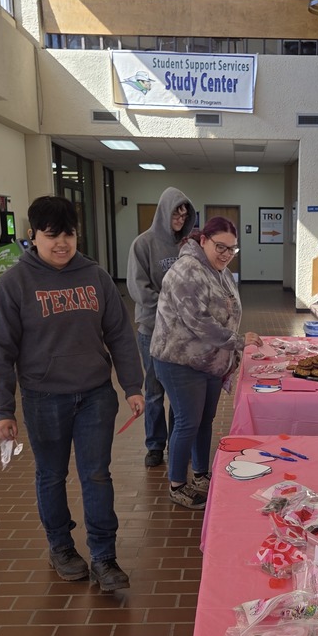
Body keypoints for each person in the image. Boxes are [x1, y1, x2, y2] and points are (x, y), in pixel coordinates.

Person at [0, 195, 144, 592]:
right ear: (32, 236)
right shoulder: (14, 285)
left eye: (68, 234)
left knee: (96, 475)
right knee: (52, 475)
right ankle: (60, 547)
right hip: (43, 398)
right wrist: (2, 410)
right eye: (51, 235)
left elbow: (120, 335)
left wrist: (133, 386)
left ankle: (104, 558)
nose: (62, 243)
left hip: (94, 394)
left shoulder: (95, 276)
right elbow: (0, 352)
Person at [151, 217, 262, 510]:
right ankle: (177, 484)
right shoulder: (186, 270)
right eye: (220, 247)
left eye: (232, 249)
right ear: (203, 241)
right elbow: (199, 322)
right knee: (188, 422)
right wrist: (238, 341)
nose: (226, 254)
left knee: (204, 420)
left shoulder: (219, 270)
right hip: (179, 359)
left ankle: (201, 474)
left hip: (210, 359)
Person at [127, 187, 196, 469]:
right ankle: (154, 445)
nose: (180, 218)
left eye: (184, 213)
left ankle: (176, 442)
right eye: (176, 212)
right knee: (155, 391)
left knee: (178, 391)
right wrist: (170, 307)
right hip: (152, 329)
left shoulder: (188, 246)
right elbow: (138, 288)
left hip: (182, 332)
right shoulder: (143, 244)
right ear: (164, 212)